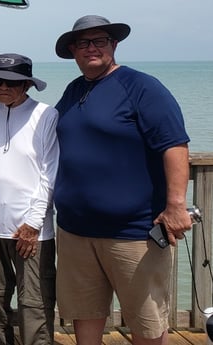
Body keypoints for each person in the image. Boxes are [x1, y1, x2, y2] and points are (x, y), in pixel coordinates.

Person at [53, 15, 191, 345]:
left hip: (133, 234)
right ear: (73, 50)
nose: (91, 49)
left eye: (99, 41)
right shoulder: (74, 91)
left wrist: (176, 205)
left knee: (147, 325)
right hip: (75, 232)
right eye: (83, 43)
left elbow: (174, 144)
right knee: (85, 319)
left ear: (114, 45)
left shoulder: (142, 87)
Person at [0, 53, 59, 345]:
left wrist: (33, 223)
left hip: (31, 230)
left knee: (35, 302)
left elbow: (49, 172)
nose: (3, 88)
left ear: (27, 85)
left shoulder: (46, 115)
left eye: (12, 83)